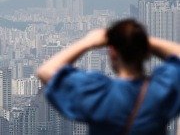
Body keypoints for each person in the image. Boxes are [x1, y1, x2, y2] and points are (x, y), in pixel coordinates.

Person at [37, 19, 180, 135]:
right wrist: (141, 41)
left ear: (112, 52)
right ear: (144, 51)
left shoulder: (99, 94)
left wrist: (88, 42)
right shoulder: (162, 90)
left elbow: (46, 71)